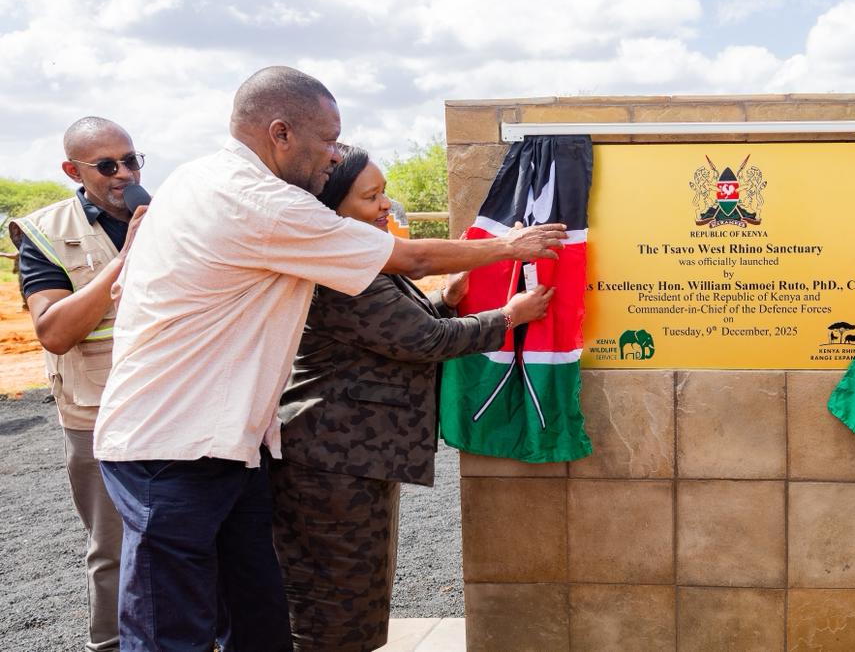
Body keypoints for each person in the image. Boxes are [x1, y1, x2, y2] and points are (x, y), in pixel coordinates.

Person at [93, 66, 567, 651]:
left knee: (257, 617)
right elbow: (412, 267)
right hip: (172, 446)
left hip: (230, 445)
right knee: (174, 628)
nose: (334, 154)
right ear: (281, 133)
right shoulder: (262, 203)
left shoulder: (197, 180)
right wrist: (510, 247)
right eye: (329, 140)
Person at [269, 145, 553, 651]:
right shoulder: (340, 270)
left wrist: (447, 299)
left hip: (352, 460)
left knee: (357, 599)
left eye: (383, 193)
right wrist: (511, 316)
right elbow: (425, 341)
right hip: (330, 465)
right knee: (332, 608)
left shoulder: (359, 256)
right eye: (370, 197)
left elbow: (393, 333)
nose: (385, 205)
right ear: (333, 208)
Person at [12, 117, 147, 652]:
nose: (124, 174)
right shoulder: (46, 232)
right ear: (73, 171)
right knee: (114, 548)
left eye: (131, 160)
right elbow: (54, 332)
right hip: (96, 416)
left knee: (190, 537)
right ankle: (111, 644)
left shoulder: (167, 216)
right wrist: (124, 262)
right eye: (107, 165)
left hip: (174, 406)